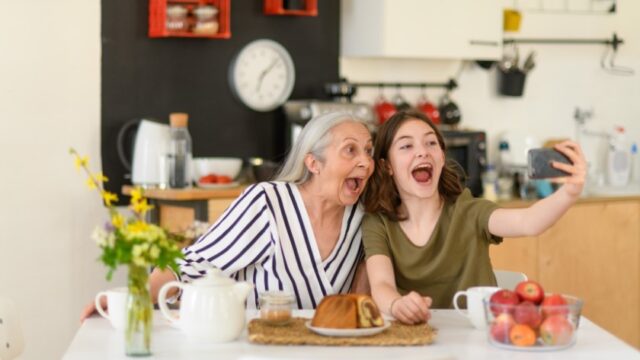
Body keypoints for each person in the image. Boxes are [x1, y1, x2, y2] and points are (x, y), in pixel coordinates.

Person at [81, 111, 374, 320]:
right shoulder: (267, 203)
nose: (365, 161)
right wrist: (131, 299)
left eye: (369, 151)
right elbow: (193, 263)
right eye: (350, 150)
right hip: (257, 349)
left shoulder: (362, 219)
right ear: (313, 163)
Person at [362, 110, 586, 325]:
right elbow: (381, 284)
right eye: (406, 146)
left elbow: (528, 222)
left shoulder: (469, 210)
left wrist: (570, 192)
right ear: (387, 165)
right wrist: (396, 304)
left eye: (431, 143)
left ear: (441, 156)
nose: (422, 152)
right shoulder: (378, 223)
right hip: (414, 338)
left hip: (480, 336)